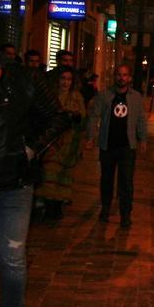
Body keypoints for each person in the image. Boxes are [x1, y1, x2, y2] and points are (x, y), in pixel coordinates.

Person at [0, 21, 68, 307]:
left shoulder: (22, 78)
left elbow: (58, 118)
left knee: (11, 261)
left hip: (15, 187)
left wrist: (30, 149)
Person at [87, 64, 148, 228]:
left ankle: (126, 214)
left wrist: (143, 139)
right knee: (106, 179)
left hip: (127, 146)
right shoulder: (105, 96)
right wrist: (90, 137)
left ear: (129, 77)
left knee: (126, 182)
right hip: (108, 145)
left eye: (125, 75)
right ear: (115, 77)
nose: (122, 78)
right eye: (119, 75)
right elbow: (94, 116)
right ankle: (105, 209)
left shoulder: (136, 97)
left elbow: (141, 119)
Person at [38, 67, 88, 222]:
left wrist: (76, 118)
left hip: (69, 143)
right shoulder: (50, 96)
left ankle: (57, 209)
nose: (65, 82)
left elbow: (83, 121)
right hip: (52, 142)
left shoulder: (76, 97)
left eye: (68, 79)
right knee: (49, 174)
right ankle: (49, 209)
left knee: (63, 178)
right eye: (63, 79)